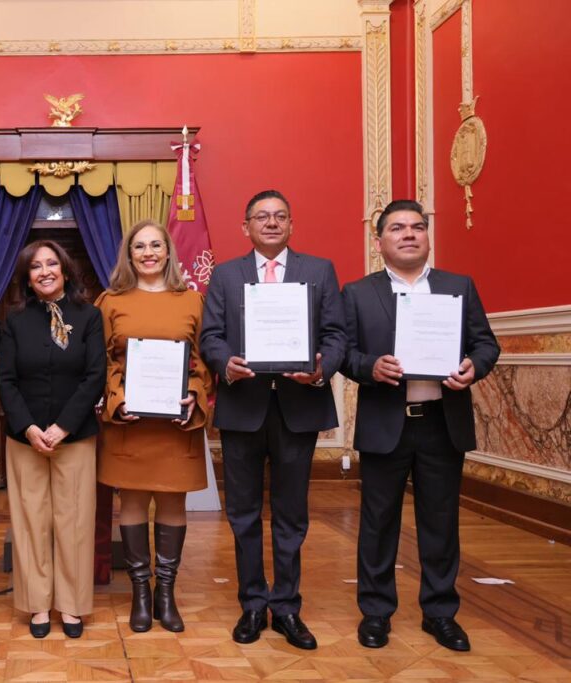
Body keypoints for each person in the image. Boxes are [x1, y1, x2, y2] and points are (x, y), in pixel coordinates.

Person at [341, 199, 498, 651]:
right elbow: (345, 353)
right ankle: (375, 612)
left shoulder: (457, 286)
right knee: (377, 522)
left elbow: (486, 344)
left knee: (440, 523)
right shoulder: (358, 293)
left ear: (428, 237)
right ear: (379, 242)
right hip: (385, 423)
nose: (408, 234)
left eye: (417, 227)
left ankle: (441, 613)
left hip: (441, 424)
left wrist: (473, 366)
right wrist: (371, 366)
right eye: (397, 228)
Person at [199, 189, 346, 650]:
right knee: (243, 514)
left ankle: (286, 607)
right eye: (261, 217)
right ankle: (251, 604)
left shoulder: (318, 271)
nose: (271, 223)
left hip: (297, 408)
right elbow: (211, 336)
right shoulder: (226, 275)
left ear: (291, 225)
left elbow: (336, 334)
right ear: (245, 227)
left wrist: (321, 366)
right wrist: (226, 363)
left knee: (291, 514)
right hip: (244, 407)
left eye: (280, 216)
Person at [96, 219, 211, 633]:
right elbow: (102, 360)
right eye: (139, 246)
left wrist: (195, 393)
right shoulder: (110, 301)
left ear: (168, 252)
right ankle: (140, 594)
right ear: (129, 255)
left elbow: (205, 360)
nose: (148, 253)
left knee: (172, 504)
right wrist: (117, 396)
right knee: (130, 504)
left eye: (156, 245)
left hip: (175, 424)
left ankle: (166, 593)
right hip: (129, 422)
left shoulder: (192, 300)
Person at [0, 240, 106, 639]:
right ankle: (38, 604)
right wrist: (28, 427)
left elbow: (95, 375)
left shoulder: (90, 315)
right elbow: (5, 379)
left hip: (74, 438)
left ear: (65, 269)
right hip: (25, 439)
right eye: (35, 266)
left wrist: (63, 426)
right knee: (31, 523)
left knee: (74, 522)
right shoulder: (14, 320)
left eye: (51, 263)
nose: (44, 271)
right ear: (27, 276)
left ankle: (73, 606)